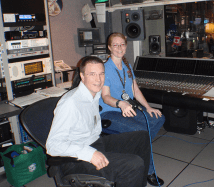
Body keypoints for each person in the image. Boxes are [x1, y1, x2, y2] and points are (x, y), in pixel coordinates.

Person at [46, 56, 151, 187]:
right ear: (82, 76)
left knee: (142, 137)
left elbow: (110, 96)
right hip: (75, 159)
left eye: (101, 74)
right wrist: (90, 154)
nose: (98, 79)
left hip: (94, 142)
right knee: (133, 165)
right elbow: (53, 145)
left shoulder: (94, 92)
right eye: (92, 74)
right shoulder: (70, 103)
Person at [99, 32, 166, 186]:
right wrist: (120, 104)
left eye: (122, 44)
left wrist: (148, 107)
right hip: (109, 112)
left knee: (158, 118)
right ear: (109, 47)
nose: (119, 47)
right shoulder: (105, 68)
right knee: (140, 132)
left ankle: (135, 146)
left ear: (126, 46)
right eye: (115, 45)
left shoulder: (127, 65)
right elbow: (105, 97)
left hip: (128, 108)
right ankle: (149, 171)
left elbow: (135, 90)